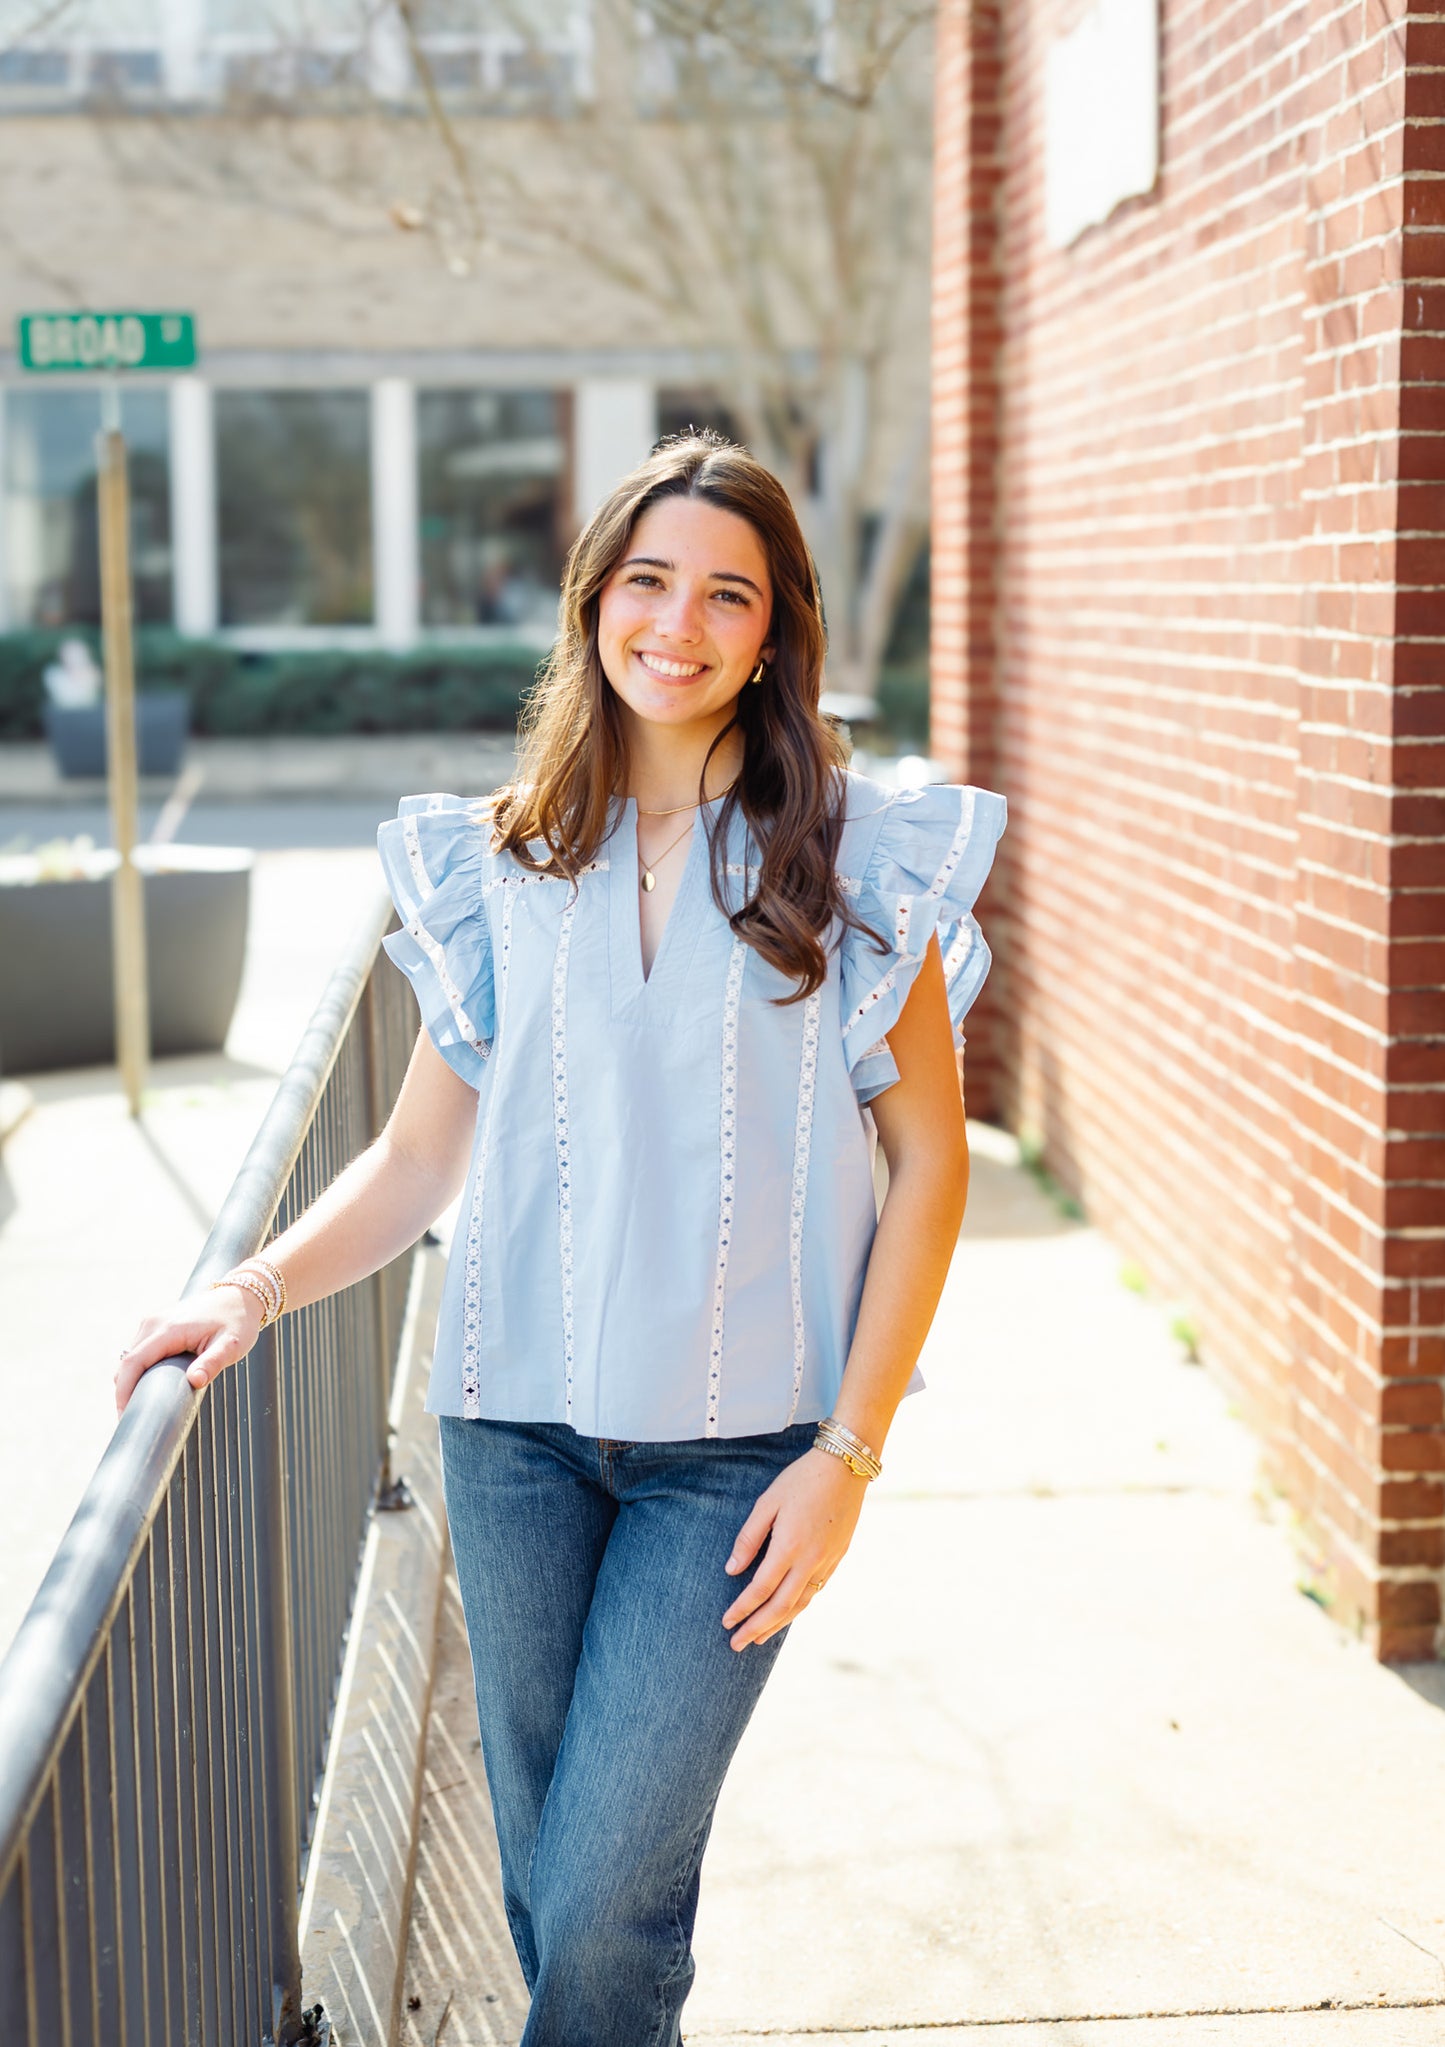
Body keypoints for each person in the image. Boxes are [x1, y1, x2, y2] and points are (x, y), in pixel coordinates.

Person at [115, 431, 1006, 2046]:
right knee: (560, 1904)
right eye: (648, 580)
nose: (680, 622)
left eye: (726, 594)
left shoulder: (856, 861)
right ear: (594, 599)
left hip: (742, 1462)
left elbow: (931, 1163)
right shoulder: (505, 857)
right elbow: (412, 1158)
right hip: (510, 1431)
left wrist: (851, 1454)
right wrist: (248, 1289)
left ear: (773, 630)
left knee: (603, 1896)